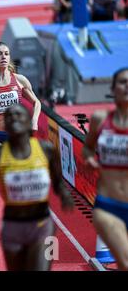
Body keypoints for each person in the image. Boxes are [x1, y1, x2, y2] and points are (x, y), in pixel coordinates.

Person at [0, 104, 74, 271]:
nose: (14, 118)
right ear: (5, 125)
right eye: (10, 116)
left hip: (43, 225)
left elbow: (58, 184)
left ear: (29, 123)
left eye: (19, 115)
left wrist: (64, 195)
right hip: (12, 227)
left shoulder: (46, 150)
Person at [82, 67, 128, 271]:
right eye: (122, 82)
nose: (127, 85)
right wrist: (90, 159)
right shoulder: (100, 119)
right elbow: (87, 149)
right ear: (112, 88)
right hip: (109, 205)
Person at [0, 41, 41, 147]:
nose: (3, 57)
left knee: (19, 163)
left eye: (6, 54)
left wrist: (34, 121)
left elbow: (36, 102)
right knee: (2, 163)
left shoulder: (20, 80)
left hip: (18, 132)